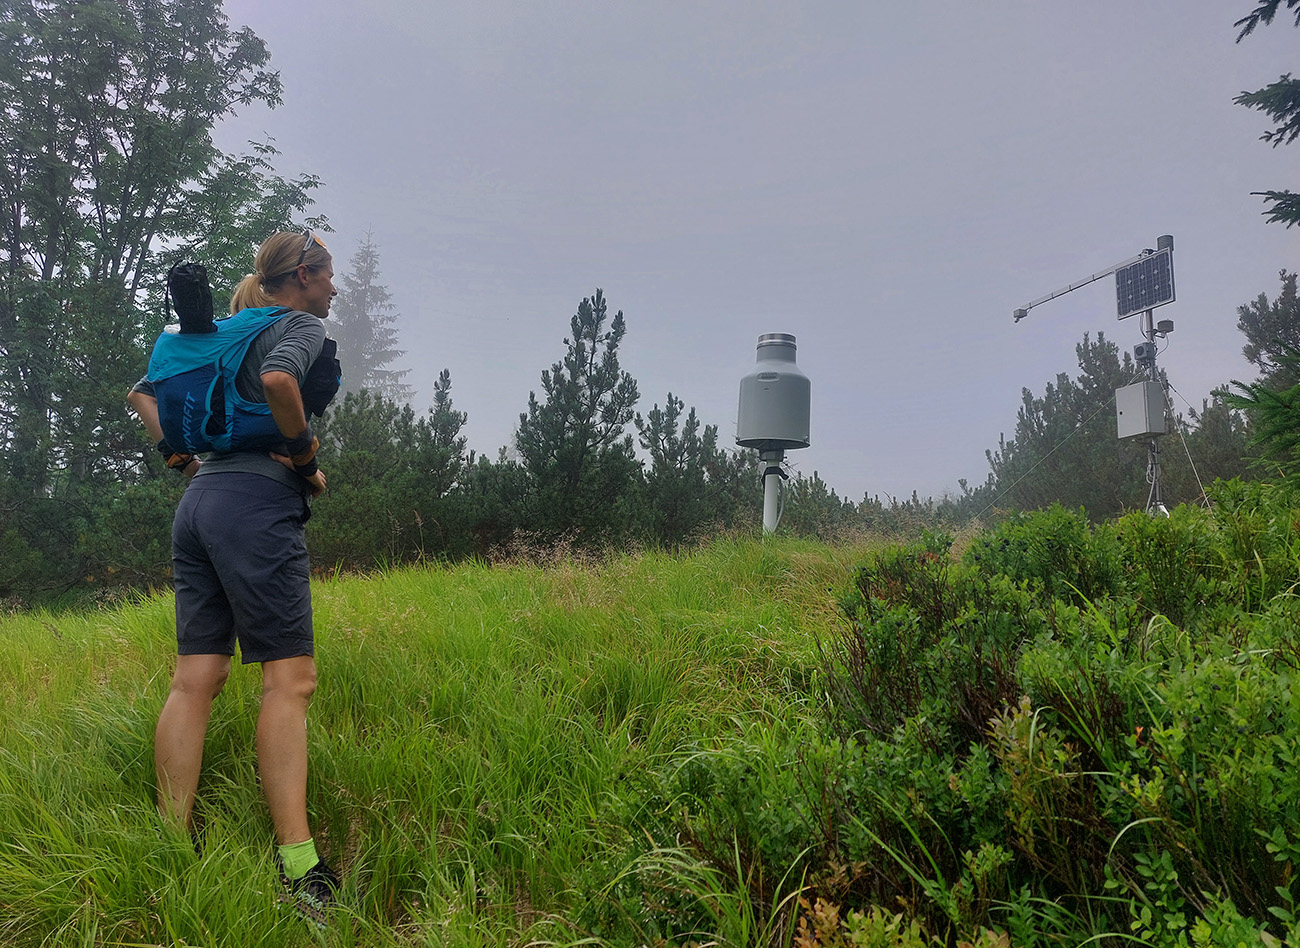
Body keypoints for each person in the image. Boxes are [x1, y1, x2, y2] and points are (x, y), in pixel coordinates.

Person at [127, 230, 342, 924]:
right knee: (290, 680)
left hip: (198, 505)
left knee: (195, 679)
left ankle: (171, 843)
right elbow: (280, 381)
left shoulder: (225, 330)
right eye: (327, 275)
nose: (333, 288)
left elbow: (143, 393)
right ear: (303, 275)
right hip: (254, 507)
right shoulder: (298, 327)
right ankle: (300, 868)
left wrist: (183, 460)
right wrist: (305, 461)